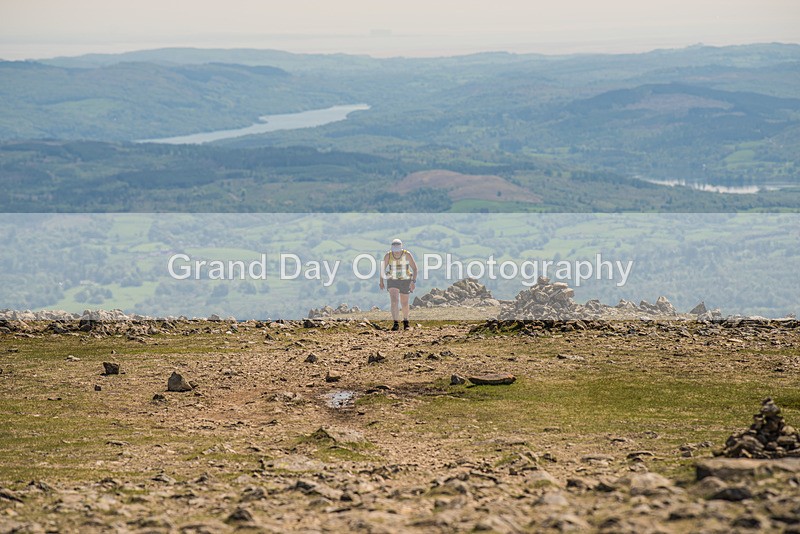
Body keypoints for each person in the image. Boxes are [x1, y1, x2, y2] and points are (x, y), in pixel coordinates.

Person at [379, 238, 418, 330]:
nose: (396, 253)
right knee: (394, 300)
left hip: (405, 280)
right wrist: (381, 282)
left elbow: (415, 269)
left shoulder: (407, 254)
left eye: (397, 250)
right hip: (393, 280)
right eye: (394, 251)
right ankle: (395, 323)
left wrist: (413, 281)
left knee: (404, 303)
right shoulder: (388, 255)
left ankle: (406, 322)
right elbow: (382, 269)